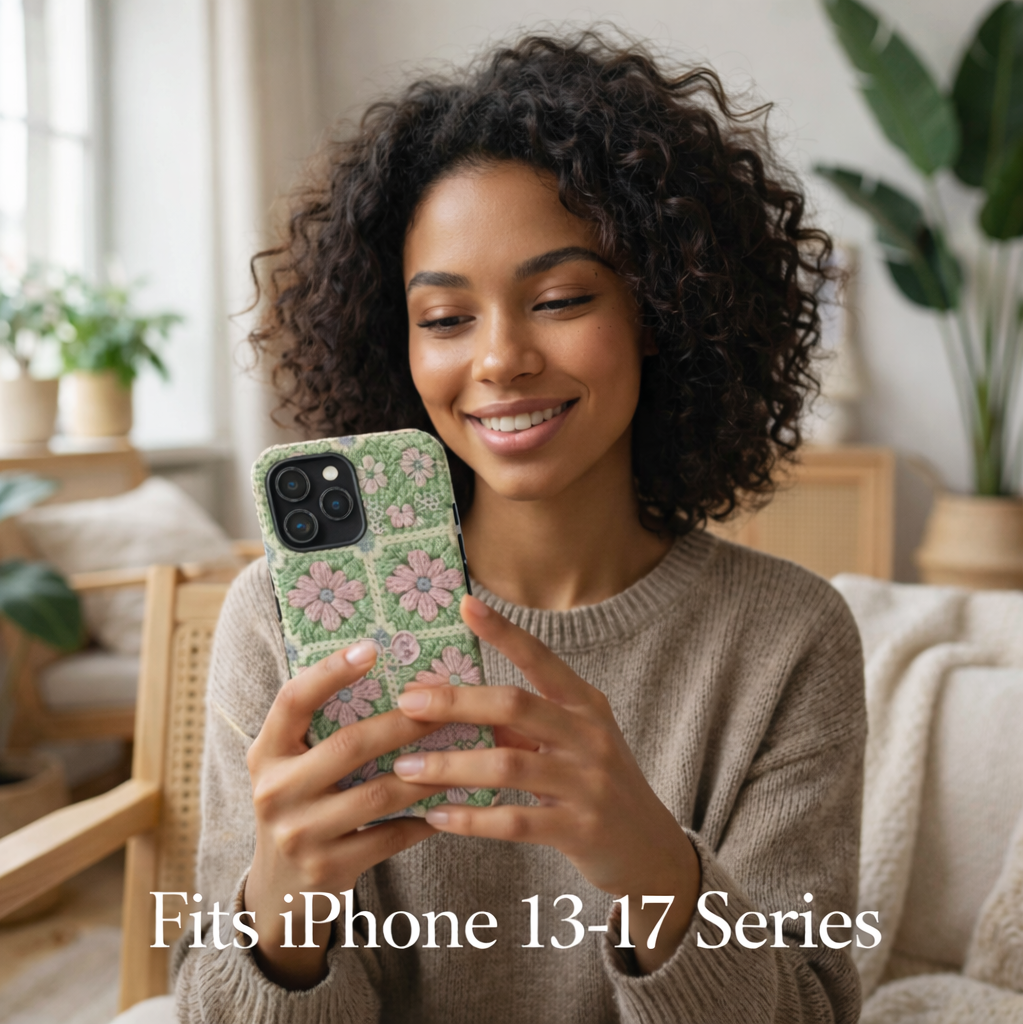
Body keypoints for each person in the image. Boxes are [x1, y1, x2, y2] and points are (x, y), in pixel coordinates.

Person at [171, 31, 866, 1024]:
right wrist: (283, 911)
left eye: (558, 299)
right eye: (445, 319)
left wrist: (650, 864)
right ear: (393, 342)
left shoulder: (789, 640)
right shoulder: (287, 621)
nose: (498, 359)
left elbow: (808, 1009)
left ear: (661, 309)